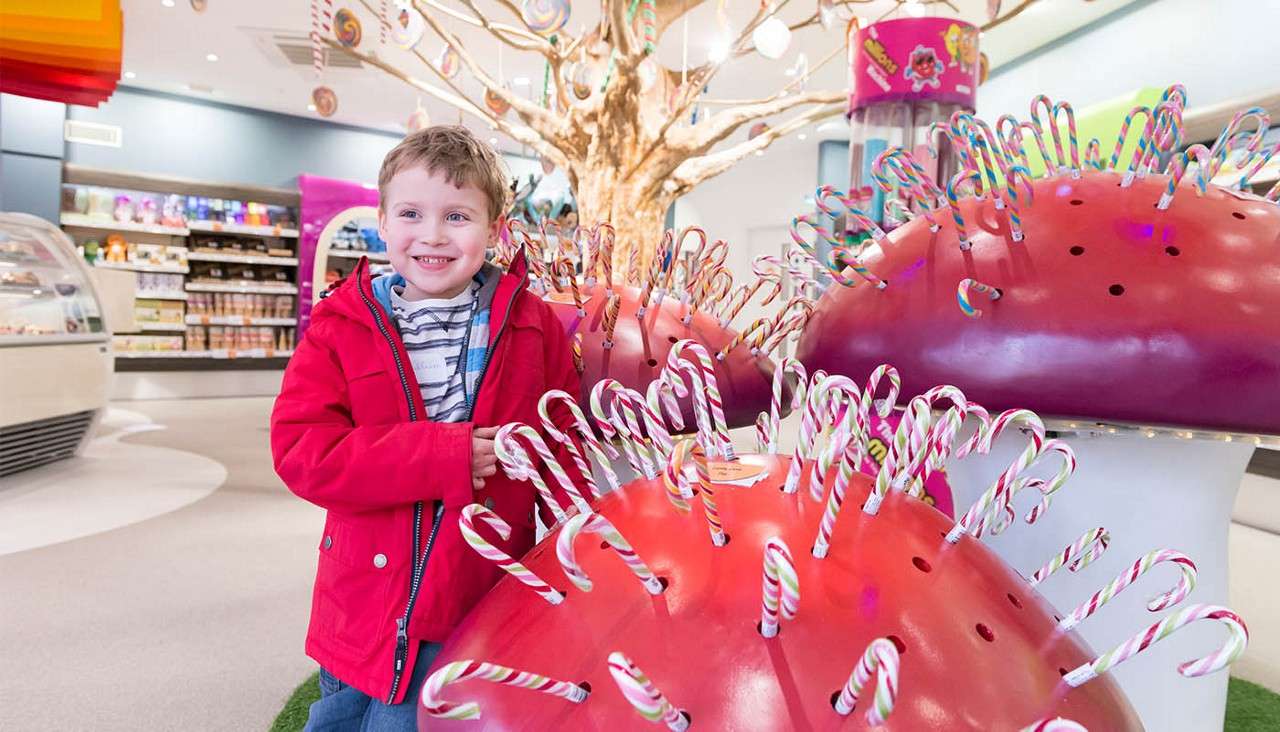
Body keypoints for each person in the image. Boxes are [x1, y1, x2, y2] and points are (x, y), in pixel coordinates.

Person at [271, 125, 582, 731]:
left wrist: (581, 534)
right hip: (363, 593)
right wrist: (446, 456)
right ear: (382, 223)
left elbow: (559, 440)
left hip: (472, 589)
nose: (433, 235)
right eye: (411, 213)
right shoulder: (341, 324)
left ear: (495, 232)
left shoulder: (532, 325)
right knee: (339, 715)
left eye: (458, 216)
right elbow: (303, 452)